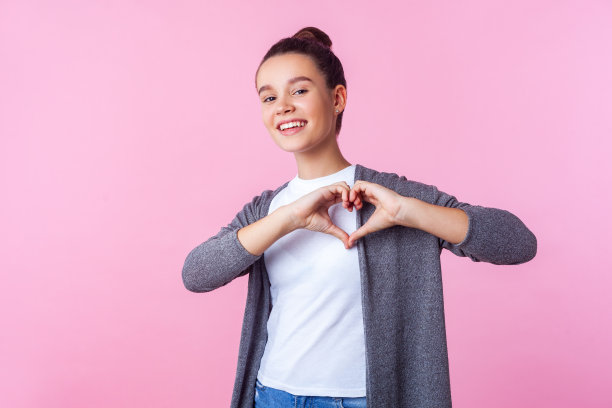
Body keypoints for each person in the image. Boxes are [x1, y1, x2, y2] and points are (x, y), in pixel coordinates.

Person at [182, 27, 537, 408]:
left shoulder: (391, 195)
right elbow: (196, 274)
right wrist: (287, 219)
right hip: (273, 395)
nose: (282, 106)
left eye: (299, 91)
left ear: (337, 98)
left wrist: (408, 212)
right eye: (269, 97)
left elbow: (518, 243)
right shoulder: (267, 209)